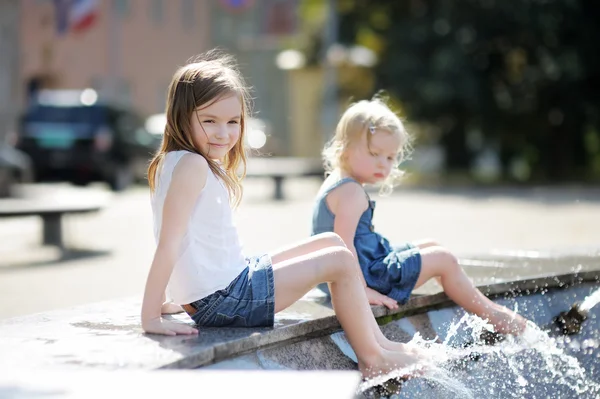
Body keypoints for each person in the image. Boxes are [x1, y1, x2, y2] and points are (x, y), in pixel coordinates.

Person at [140, 50, 432, 378]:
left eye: (233, 122)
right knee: (339, 260)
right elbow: (168, 242)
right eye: (210, 121)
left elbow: (181, 241)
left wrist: (176, 297)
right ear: (181, 116)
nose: (223, 133)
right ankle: (372, 357)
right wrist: (151, 315)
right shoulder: (193, 165)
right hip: (227, 300)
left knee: (331, 242)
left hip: (228, 285)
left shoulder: (176, 161)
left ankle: (379, 343)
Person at [311, 96, 529, 336]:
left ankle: (462, 296)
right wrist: (361, 290)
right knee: (443, 259)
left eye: (390, 157)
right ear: (346, 148)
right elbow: (342, 247)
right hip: (361, 279)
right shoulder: (351, 192)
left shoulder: (338, 181)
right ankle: (491, 314)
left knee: (431, 246)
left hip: (349, 275)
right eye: (375, 153)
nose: (383, 164)